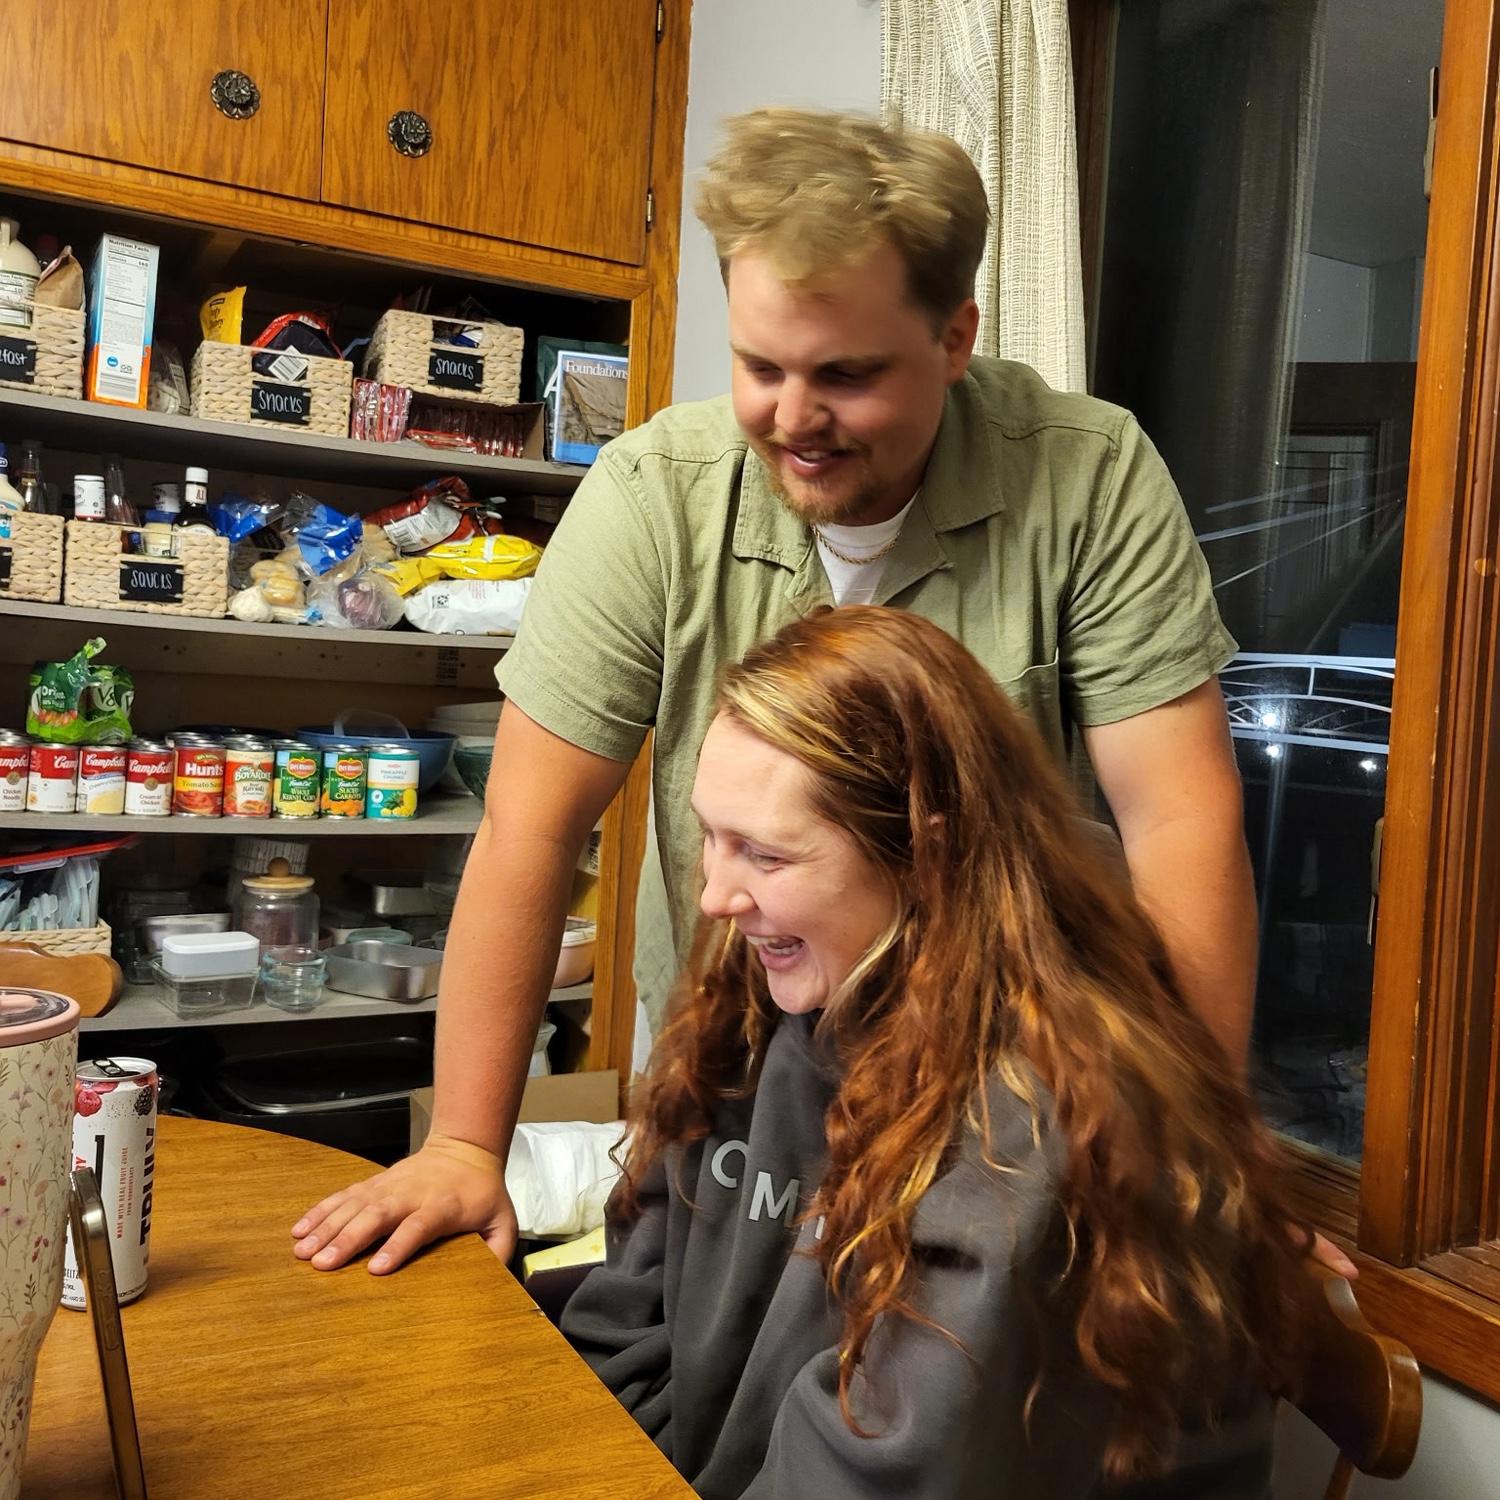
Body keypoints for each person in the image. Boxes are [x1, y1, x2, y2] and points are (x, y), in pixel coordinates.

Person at [292, 108, 1262, 1277]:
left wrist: (1194, 1166)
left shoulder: (1090, 477)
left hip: (1020, 1092)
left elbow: (1182, 823)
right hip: (737, 1077)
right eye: (762, 368)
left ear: (955, 338)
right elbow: (530, 831)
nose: (794, 421)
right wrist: (461, 1143)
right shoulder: (655, 495)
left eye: (847, 376)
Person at [564, 606, 1309, 1499]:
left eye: (764, 854)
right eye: (710, 838)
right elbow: (634, 1311)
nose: (717, 895)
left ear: (925, 855)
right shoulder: (761, 993)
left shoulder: (1030, 1128)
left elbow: (879, 1473)